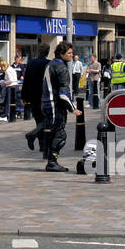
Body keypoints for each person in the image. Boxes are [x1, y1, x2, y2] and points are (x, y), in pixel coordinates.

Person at [44, 42, 81, 173]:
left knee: (52, 132)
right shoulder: (61, 68)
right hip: (55, 105)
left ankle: (50, 160)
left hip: (48, 103)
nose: (71, 55)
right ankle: (52, 162)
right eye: (69, 53)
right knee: (60, 136)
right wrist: (73, 108)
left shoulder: (51, 64)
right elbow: (63, 93)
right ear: (61, 54)